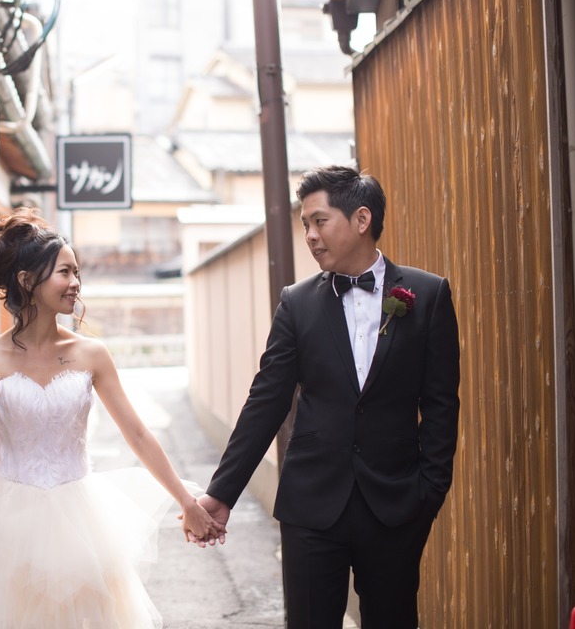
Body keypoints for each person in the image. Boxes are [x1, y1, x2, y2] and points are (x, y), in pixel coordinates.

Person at [0, 207, 222, 629]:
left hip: (81, 526)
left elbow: (139, 435)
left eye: (77, 273)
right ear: (27, 280)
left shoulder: (92, 354)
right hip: (6, 530)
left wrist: (187, 502)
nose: (75, 284)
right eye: (65, 272)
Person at [191, 165, 460, 629]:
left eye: (320, 221)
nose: (311, 236)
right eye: (305, 225)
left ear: (361, 219)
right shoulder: (296, 303)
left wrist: (429, 492)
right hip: (311, 507)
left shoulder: (427, 294)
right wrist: (222, 492)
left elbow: (440, 402)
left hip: (396, 505)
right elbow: (266, 401)